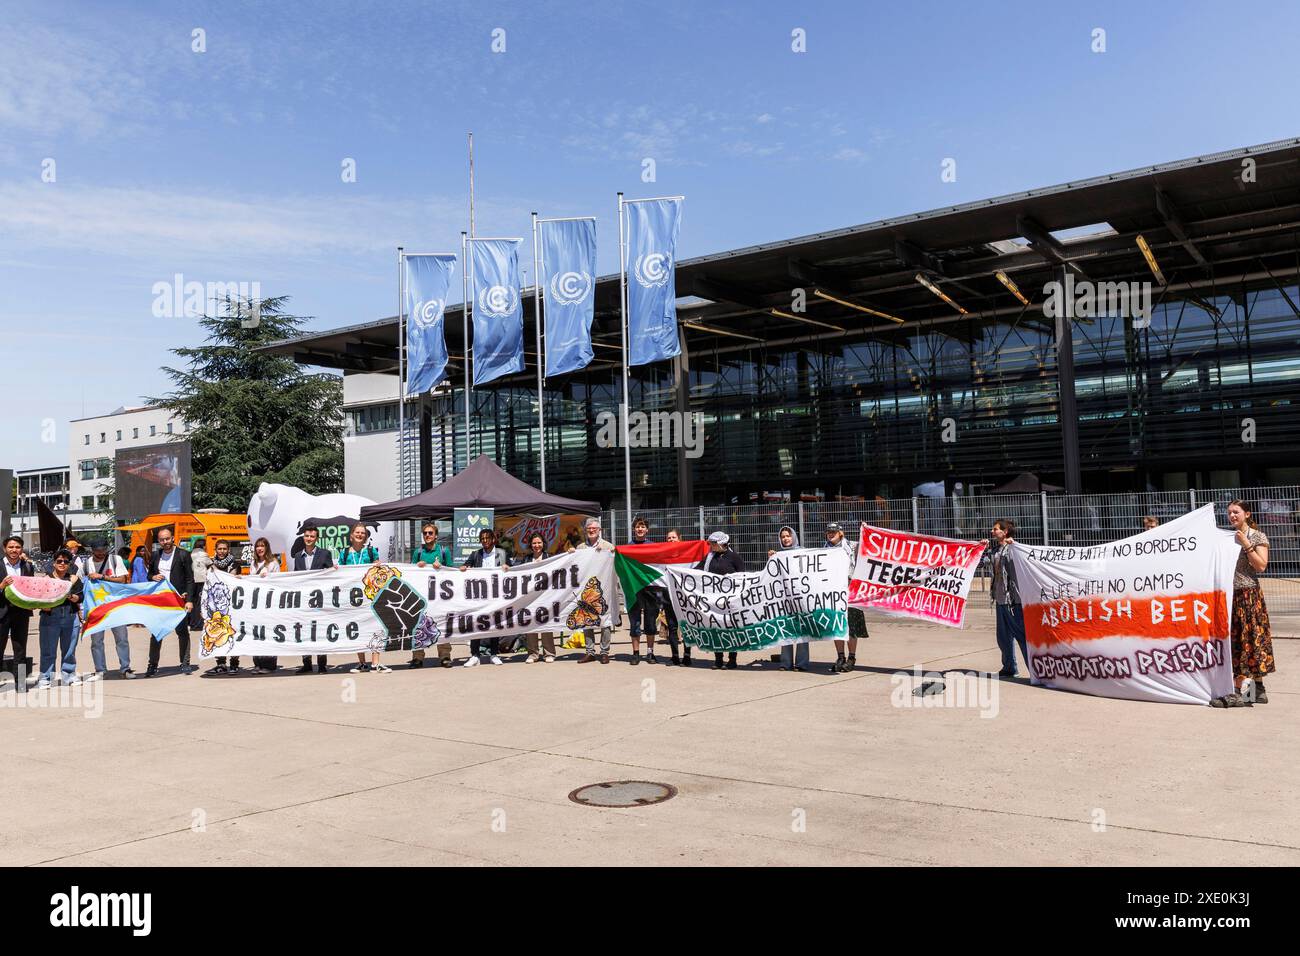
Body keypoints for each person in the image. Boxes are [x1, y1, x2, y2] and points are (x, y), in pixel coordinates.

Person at [1215, 500, 1275, 708]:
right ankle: (1257, 691)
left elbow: (1261, 566)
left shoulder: (1257, 536)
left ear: (1247, 514)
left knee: (1247, 641)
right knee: (1244, 640)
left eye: (1236, 512)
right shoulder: (1227, 537)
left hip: (1249, 596)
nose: (1232, 516)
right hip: (1233, 595)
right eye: (1229, 512)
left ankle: (1239, 692)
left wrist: (1246, 544)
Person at [339, 521, 389, 673]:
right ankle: (361, 662)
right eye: (357, 532)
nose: (360, 535)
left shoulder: (371, 551)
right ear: (351, 535)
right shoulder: (344, 553)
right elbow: (339, 573)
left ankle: (376, 662)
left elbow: (379, 571)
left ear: (366, 536)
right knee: (357, 627)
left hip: (370, 595)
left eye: (363, 533)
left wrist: (378, 564)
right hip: (353, 596)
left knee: (375, 626)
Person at [146, 527, 195, 677]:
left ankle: (185, 663)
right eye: (162, 540)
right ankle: (152, 665)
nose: (165, 542)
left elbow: (190, 579)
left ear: (173, 538)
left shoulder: (183, 554)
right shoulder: (155, 555)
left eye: (167, 539)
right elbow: (149, 575)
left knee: (182, 632)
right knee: (156, 633)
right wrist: (153, 577)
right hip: (160, 600)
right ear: (158, 541)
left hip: (179, 599)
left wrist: (190, 600)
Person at [985, 519, 1029, 680]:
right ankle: (1009, 667)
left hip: (1014, 601)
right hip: (1000, 599)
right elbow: (984, 564)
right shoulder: (995, 550)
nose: (992, 531)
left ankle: (1034, 669)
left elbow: (1025, 560)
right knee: (1003, 637)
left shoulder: (1015, 549)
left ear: (1005, 532)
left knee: (1021, 635)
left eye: (995, 529)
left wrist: (1015, 544)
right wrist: (982, 549)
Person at [696, 531, 746, 669]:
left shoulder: (734, 557)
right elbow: (697, 570)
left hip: (730, 600)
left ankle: (732, 659)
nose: (710, 546)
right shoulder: (709, 558)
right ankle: (718, 658)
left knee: (731, 629)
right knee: (716, 628)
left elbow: (742, 575)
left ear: (720, 543)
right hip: (714, 600)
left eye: (712, 543)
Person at [36, 548, 84, 688]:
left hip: (70, 616)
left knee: (69, 650)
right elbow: (38, 599)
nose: (62, 563)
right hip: (50, 617)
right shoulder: (45, 580)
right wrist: (42, 605)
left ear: (69, 564)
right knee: (48, 650)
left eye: (66, 561)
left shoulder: (74, 579)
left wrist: (70, 596)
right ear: (54, 563)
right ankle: (45, 678)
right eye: (59, 561)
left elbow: (80, 597)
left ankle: (69, 675)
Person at [824, 522, 867, 673]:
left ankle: (852, 658)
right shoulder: (824, 549)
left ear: (841, 533)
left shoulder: (852, 546)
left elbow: (868, 544)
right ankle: (840, 657)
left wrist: (866, 530)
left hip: (850, 589)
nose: (830, 534)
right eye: (829, 531)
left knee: (852, 626)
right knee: (837, 624)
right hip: (833, 591)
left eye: (834, 531)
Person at [86, 539, 133, 680]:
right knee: (96, 641)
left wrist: (102, 577)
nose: (101, 553)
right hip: (96, 607)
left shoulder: (115, 559)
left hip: (115, 605)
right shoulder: (86, 563)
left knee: (122, 639)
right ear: (92, 550)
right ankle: (100, 670)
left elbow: (123, 580)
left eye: (103, 549)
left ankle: (125, 668)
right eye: (97, 550)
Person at [410, 521, 454, 668]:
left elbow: (452, 572)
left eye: (430, 533)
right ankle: (417, 657)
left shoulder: (443, 551)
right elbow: (410, 573)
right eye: (425, 533)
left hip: (440, 596)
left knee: (441, 624)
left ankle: (445, 656)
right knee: (418, 625)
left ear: (436, 536)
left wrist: (441, 567)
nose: (427, 535)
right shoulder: (418, 552)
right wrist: (417, 567)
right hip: (422, 596)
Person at [461, 528, 505, 666]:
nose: (485, 541)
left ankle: (494, 654)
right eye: (482, 539)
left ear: (493, 539)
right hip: (479, 596)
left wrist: (507, 567)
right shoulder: (476, 555)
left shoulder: (502, 554)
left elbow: (512, 570)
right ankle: (475, 655)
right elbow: (465, 566)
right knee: (476, 623)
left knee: (494, 623)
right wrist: (464, 567)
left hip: (496, 595)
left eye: (487, 538)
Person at [294, 523, 334, 674]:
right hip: (304, 599)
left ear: (316, 538)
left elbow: (330, 574)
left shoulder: (324, 554)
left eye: (312, 536)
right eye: (306, 536)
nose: (309, 539)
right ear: (303, 537)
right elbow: (296, 576)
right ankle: (306, 663)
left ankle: (322, 664)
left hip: (319, 599)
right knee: (304, 631)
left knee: (319, 630)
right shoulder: (298, 556)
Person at [511, 532, 558, 663]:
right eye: (534, 543)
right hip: (530, 597)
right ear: (531, 545)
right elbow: (517, 571)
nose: (537, 545)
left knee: (546, 623)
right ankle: (533, 654)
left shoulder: (550, 558)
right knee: (530, 623)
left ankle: (549, 653)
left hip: (546, 596)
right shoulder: (526, 559)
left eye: (539, 543)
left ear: (543, 544)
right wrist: (507, 568)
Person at [576, 517, 614, 664]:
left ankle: (604, 652)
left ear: (599, 530)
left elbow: (615, 563)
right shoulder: (580, 548)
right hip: (586, 590)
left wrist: (608, 553)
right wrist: (571, 553)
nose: (591, 530)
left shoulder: (608, 546)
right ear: (585, 531)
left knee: (605, 621)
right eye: (589, 529)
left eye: (594, 528)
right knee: (587, 621)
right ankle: (590, 652)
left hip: (603, 590)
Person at [0, 535, 36, 689]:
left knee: (20, 649)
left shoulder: (27, 566)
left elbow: (32, 589)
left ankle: (20, 683)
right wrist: (1, 585)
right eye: (11, 547)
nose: (14, 550)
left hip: (21, 613)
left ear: (21, 549)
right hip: (1, 612)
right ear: (4, 548)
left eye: (17, 547)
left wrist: (33, 602)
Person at [772, 526, 809, 671]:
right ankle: (785, 662)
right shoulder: (778, 555)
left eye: (788, 536)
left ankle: (801, 663)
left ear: (794, 536)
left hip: (800, 597)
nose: (786, 539)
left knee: (802, 631)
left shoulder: (803, 552)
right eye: (783, 537)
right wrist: (772, 559)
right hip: (784, 599)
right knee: (785, 629)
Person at [624, 515, 659, 665]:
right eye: (638, 526)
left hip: (650, 588)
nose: (640, 529)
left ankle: (650, 653)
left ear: (647, 530)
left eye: (643, 526)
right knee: (635, 621)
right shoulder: (627, 547)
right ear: (634, 529)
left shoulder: (654, 546)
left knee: (650, 621)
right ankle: (636, 653)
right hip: (633, 588)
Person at [208, 540, 243, 673]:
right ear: (215, 549)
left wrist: (216, 571)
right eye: (219, 549)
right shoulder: (210, 564)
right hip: (215, 604)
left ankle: (234, 663)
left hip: (231, 603)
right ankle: (221, 663)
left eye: (224, 549)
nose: (222, 551)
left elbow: (229, 579)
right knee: (217, 634)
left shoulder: (234, 563)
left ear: (228, 550)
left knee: (232, 633)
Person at [248, 537, 280, 673]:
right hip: (256, 603)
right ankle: (258, 663)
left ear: (267, 548)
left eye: (262, 546)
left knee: (268, 632)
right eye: (257, 546)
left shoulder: (273, 563)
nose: (259, 549)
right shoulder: (253, 563)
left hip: (269, 602)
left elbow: (278, 581)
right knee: (256, 632)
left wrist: (268, 578)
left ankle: (269, 664)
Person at [662, 528, 686, 666]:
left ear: (679, 538)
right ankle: (675, 656)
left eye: (673, 537)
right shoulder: (663, 554)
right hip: (668, 594)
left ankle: (687, 656)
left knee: (685, 626)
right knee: (672, 626)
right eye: (669, 538)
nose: (671, 540)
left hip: (683, 595)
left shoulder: (686, 552)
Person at [189, 538, 212, 630]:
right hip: (201, 581)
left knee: (192, 602)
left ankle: (192, 622)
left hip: (191, 581)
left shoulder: (190, 554)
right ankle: (198, 624)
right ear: (203, 545)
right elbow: (211, 565)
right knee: (200, 603)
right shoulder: (204, 554)